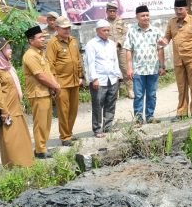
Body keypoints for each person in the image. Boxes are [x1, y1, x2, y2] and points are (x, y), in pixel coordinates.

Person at [0, 38, 33, 168]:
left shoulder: (7, 67)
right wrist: (4, 110)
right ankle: (16, 168)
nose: (10, 50)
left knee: (22, 140)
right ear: (0, 51)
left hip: (16, 109)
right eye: (7, 48)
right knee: (12, 141)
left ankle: (27, 165)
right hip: (7, 112)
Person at [159, 0, 192, 118]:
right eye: (176, 9)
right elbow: (167, 38)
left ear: (186, 9)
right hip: (178, 60)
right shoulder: (171, 22)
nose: (178, 11)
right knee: (181, 87)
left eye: (180, 9)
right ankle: (182, 113)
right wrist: (163, 42)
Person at [23, 25, 61, 159]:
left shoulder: (40, 54)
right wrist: (55, 86)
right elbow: (40, 76)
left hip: (45, 92)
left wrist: (54, 85)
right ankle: (40, 150)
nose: (43, 40)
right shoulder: (30, 55)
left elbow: (48, 72)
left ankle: (43, 146)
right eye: (40, 38)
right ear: (31, 40)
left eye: (44, 37)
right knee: (40, 123)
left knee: (47, 122)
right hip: (37, 93)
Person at [124, 5, 165, 124]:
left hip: (153, 68)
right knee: (138, 95)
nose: (146, 17)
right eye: (143, 15)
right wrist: (129, 68)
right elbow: (128, 50)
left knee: (152, 94)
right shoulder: (132, 32)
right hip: (138, 69)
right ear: (137, 17)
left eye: (147, 15)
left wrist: (162, 66)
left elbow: (160, 49)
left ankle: (150, 116)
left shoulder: (156, 31)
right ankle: (138, 118)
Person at [47, 15, 83, 147]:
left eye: (68, 27)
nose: (67, 30)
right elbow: (50, 65)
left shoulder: (73, 40)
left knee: (73, 109)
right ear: (57, 28)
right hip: (61, 83)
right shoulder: (53, 43)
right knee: (63, 110)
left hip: (74, 81)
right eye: (64, 28)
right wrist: (54, 83)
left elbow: (78, 59)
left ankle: (70, 132)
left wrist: (80, 76)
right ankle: (65, 136)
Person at [85, 19, 122, 137]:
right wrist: (94, 79)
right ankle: (97, 129)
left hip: (112, 78)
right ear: (97, 31)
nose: (107, 32)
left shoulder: (112, 43)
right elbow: (90, 63)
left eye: (108, 30)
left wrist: (118, 75)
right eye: (104, 30)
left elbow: (115, 60)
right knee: (97, 104)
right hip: (99, 80)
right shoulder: (91, 44)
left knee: (111, 103)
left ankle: (108, 126)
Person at [106, 1, 133, 100]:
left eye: (114, 11)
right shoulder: (104, 23)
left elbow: (125, 34)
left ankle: (130, 89)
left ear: (116, 11)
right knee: (112, 70)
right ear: (107, 12)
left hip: (121, 49)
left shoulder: (122, 22)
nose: (112, 13)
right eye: (110, 11)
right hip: (108, 50)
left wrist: (118, 43)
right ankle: (114, 92)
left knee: (125, 69)